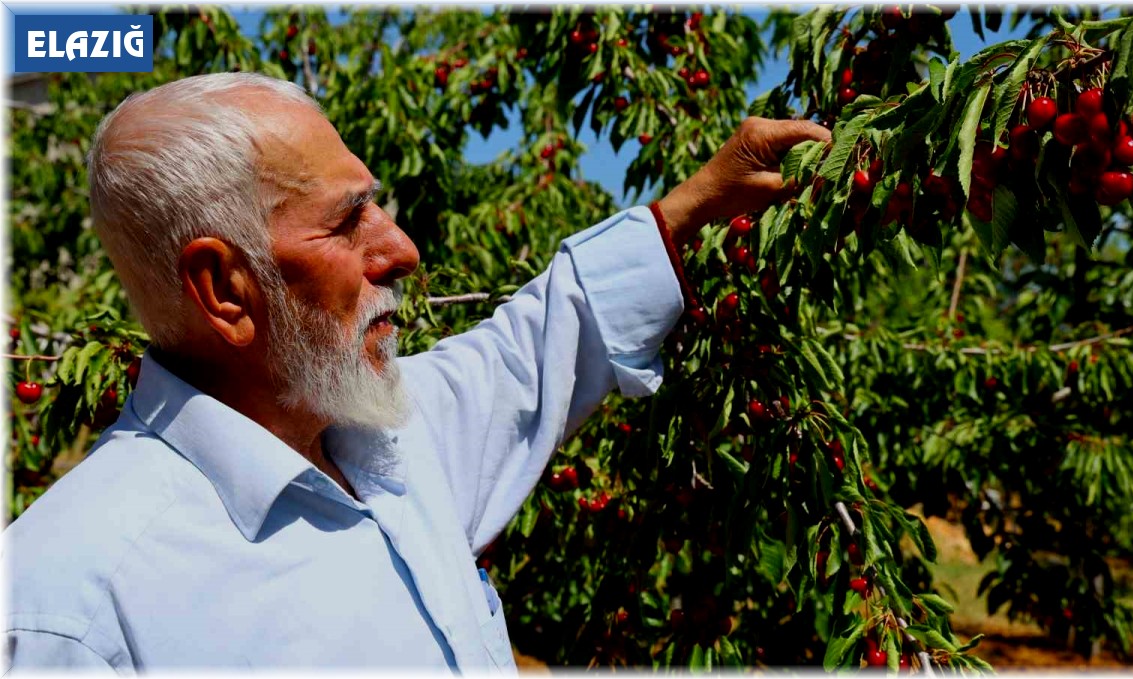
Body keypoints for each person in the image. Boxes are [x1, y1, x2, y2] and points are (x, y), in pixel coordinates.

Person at [2, 72, 829, 672]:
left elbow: (538, 340)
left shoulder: (392, 436)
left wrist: (697, 203)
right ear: (226, 288)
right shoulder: (69, 610)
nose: (401, 248)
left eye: (378, 202)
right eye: (346, 220)